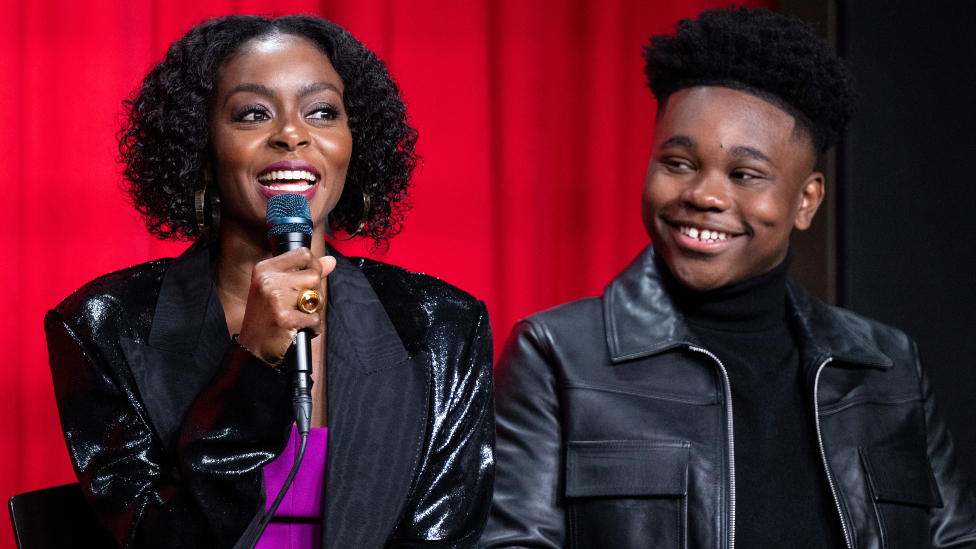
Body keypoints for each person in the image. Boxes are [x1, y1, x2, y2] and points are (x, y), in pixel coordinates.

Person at [481, 7, 976, 549]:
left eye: (744, 175)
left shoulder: (888, 366)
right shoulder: (556, 355)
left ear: (806, 200)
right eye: (677, 162)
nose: (704, 195)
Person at [46, 14, 493, 549]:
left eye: (322, 112)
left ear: (354, 143)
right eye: (253, 113)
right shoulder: (103, 326)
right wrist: (252, 363)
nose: (291, 133)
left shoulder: (443, 327)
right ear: (202, 150)